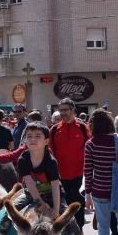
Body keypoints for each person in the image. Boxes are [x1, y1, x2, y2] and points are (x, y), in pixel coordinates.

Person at [0, 122, 89, 235]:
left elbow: (55, 186)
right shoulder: (23, 159)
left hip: (53, 194)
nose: (32, 139)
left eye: (37, 136)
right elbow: (29, 183)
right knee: (8, 212)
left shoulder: (51, 161)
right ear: (25, 141)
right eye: (29, 136)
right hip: (31, 195)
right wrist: (41, 204)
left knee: (69, 218)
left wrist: (54, 208)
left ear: (46, 141)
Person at [49, 98, 90, 228]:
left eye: (65, 110)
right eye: (60, 110)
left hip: (79, 175)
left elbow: (90, 149)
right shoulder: (54, 130)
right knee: (63, 209)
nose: (62, 113)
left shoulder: (83, 128)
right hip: (60, 177)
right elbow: (50, 153)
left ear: (73, 110)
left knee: (78, 206)